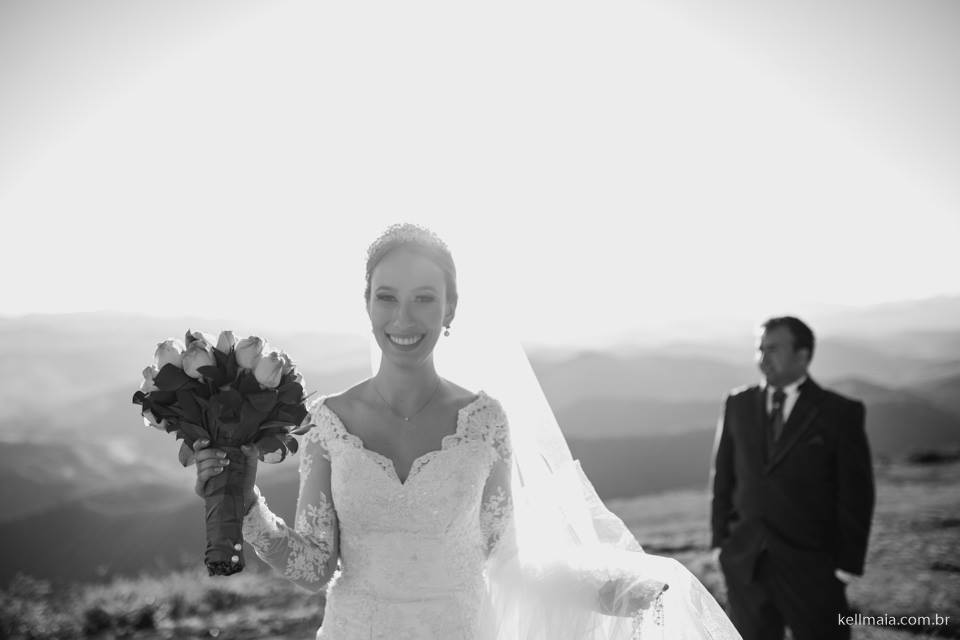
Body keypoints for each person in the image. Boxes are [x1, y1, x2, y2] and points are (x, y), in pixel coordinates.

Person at [194, 222, 742, 639]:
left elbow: (508, 559)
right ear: (366, 304)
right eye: (387, 297)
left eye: (424, 298)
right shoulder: (329, 423)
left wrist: (608, 589)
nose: (403, 319)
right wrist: (246, 508)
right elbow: (314, 566)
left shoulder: (485, 422)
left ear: (450, 308)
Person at [709, 316, 875, 640]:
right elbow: (723, 479)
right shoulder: (737, 404)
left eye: (773, 349)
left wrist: (845, 566)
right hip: (746, 566)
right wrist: (720, 547)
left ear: (803, 354)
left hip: (814, 569)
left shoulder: (840, 413)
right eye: (759, 349)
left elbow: (856, 494)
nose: (763, 357)